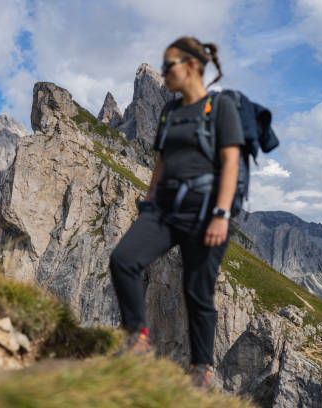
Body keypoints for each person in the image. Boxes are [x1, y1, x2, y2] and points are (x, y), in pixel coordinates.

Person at [109, 36, 244, 390]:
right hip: (164, 210)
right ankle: (137, 339)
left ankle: (202, 369)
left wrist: (221, 214)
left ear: (192, 66)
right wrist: (148, 204)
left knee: (197, 291)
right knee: (124, 259)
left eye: (169, 65)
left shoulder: (220, 107)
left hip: (204, 212)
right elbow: (161, 161)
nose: (164, 71)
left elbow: (231, 163)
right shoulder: (170, 111)